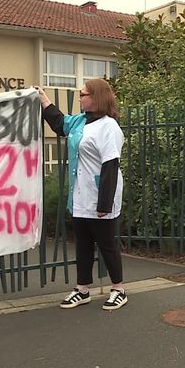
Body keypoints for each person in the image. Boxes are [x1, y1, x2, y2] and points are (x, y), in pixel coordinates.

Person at [37, 79, 127, 311]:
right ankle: (82, 289)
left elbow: (110, 166)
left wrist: (104, 203)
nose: (80, 98)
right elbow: (59, 123)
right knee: (83, 244)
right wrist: (43, 99)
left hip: (101, 194)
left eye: (83, 95)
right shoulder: (79, 121)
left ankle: (118, 289)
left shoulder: (109, 127)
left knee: (107, 244)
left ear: (96, 98)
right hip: (80, 194)